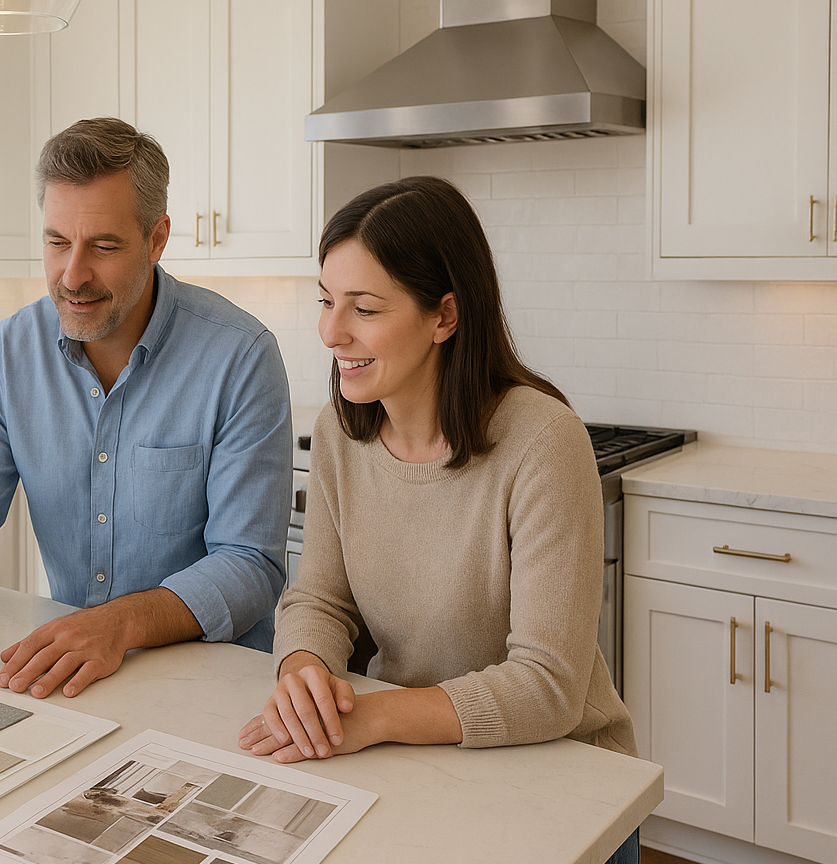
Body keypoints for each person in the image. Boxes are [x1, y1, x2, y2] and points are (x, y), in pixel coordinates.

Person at [236, 176, 639, 861]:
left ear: (443, 316)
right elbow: (319, 598)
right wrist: (301, 671)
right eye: (327, 302)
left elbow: (548, 687)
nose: (331, 332)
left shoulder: (544, 441)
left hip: (566, 784)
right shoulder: (340, 431)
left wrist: (370, 716)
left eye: (363, 308)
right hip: (421, 764)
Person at [0, 118, 292, 699]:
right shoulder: (13, 352)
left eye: (104, 246)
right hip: (76, 675)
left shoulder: (240, 357)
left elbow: (250, 565)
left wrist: (120, 624)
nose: (73, 275)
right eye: (57, 242)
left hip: (215, 687)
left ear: (157, 238)